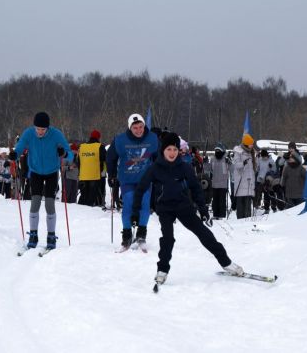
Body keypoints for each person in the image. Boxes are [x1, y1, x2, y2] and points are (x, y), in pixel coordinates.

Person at [132, 133, 243, 285]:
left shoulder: (184, 167)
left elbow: (196, 189)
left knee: (204, 233)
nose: (172, 153)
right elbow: (140, 189)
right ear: (163, 150)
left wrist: (203, 210)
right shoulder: (155, 168)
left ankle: (226, 263)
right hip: (164, 208)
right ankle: (162, 270)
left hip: (183, 206)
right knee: (168, 239)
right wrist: (135, 212)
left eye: (175, 150)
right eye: (169, 149)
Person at [15, 111, 73, 250]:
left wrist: (64, 154)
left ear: (48, 128)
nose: (40, 132)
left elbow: (69, 153)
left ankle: (51, 236)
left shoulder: (56, 134)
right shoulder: (29, 133)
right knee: (35, 202)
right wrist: (14, 154)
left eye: (43, 129)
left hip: (52, 172)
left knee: (49, 203)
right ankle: (33, 235)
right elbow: (20, 147)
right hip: (35, 171)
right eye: (38, 129)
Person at [106, 113, 159, 250]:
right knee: (128, 204)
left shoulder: (152, 138)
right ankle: (127, 235)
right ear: (130, 128)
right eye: (135, 128)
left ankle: (141, 234)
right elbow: (111, 157)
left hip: (145, 179)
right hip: (127, 179)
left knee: (144, 205)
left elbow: (159, 156)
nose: (139, 130)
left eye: (141, 127)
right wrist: (111, 174)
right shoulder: (120, 140)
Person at [78, 129, 106, 206]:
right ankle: (89, 213)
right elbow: (104, 158)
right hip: (94, 175)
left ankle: (79, 212)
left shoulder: (82, 146)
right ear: (98, 138)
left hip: (83, 175)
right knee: (92, 197)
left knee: (83, 196)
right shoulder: (100, 146)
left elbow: (78, 161)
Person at [233, 133, 256, 219]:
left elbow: (252, 171)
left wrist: (253, 185)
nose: (252, 145)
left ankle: (247, 222)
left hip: (249, 183)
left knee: (247, 208)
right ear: (246, 144)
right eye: (251, 144)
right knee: (241, 207)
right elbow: (236, 165)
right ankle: (240, 223)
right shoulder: (238, 152)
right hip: (240, 183)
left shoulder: (252, 153)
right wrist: (243, 163)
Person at [210, 143, 230, 219]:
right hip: (214, 183)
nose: (217, 152)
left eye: (219, 150)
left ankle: (221, 215)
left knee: (222, 200)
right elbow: (209, 169)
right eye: (216, 150)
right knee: (215, 200)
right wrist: (205, 162)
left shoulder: (226, 159)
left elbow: (232, 169)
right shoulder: (212, 159)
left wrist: (229, 162)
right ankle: (215, 214)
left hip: (223, 184)